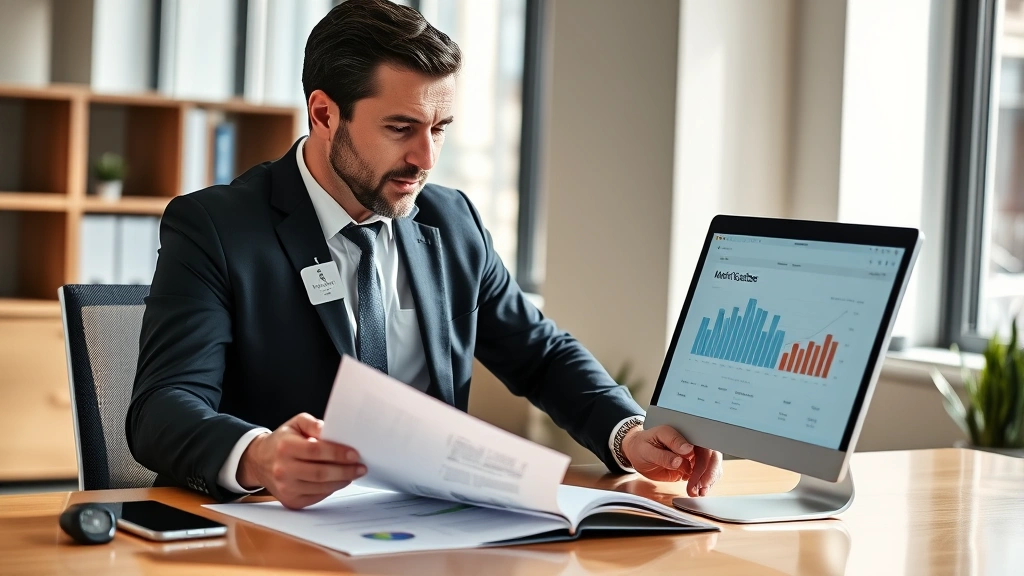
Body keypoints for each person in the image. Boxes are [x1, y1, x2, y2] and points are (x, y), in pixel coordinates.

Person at [126, 0, 722, 509]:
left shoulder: (451, 219)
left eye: (439, 129)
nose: (426, 159)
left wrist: (628, 433)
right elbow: (163, 407)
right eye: (401, 128)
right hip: (279, 536)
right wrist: (258, 456)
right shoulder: (217, 227)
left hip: (431, 529)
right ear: (324, 114)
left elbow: (539, 354)